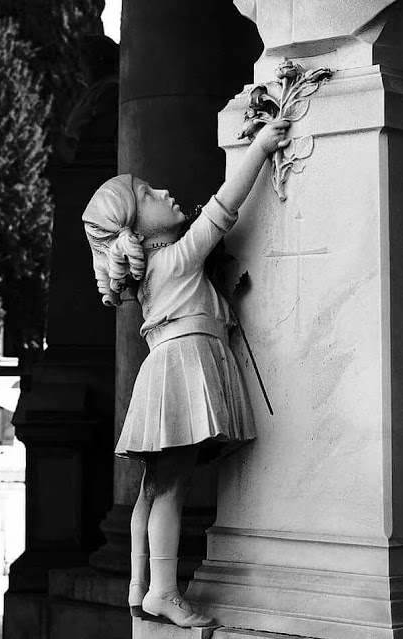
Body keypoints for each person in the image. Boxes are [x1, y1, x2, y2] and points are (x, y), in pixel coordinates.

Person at [82, 119, 290, 628]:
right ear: (137, 226)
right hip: (183, 368)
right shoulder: (174, 262)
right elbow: (224, 207)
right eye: (149, 193)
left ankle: (139, 587)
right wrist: (260, 147)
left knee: (153, 488)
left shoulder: (158, 272)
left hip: (170, 367)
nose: (164, 190)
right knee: (172, 488)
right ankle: (164, 592)